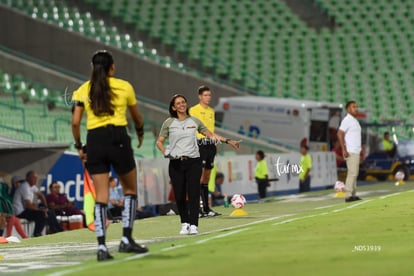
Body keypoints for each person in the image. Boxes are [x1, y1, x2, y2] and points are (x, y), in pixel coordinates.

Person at [71, 50, 147, 261]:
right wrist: (140, 132)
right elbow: (137, 117)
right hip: (118, 138)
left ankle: (102, 247)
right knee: (130, 190)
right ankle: (126, 240)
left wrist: (79, 146)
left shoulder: (83, 90)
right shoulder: (124, 86)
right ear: (112, 67)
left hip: (94, 140)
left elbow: (76, 122)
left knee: (101, 195)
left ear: (92, 67)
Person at [156, 94, 240, 235]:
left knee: (194, 193)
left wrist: (228, 141)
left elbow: (211, 135)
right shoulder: (168, 123)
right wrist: (165, 152)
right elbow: (159, 141)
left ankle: (194, 225)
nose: (182, 104)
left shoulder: (194, 121)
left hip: (193, 162)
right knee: (180, 195)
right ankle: (185, 223)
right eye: (178, 103)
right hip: (176, 163)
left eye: (184, 102)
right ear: (173, 107)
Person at [189, 85, 220, 217]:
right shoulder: (194, 110)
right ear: (200, 96)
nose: (208, 98)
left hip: (211, 145)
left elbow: (211, 129)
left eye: (209, 95)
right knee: (199, 176)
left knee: (206, 177)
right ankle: (197, 208)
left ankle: (207, 208)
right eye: (205, 95)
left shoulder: (212, 111)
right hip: (200, 144)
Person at [13, 171, 62, 236]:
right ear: (28, 178)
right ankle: (37, 234)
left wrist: (45, 207)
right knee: (41, 214)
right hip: (20, 212)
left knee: (50, 211)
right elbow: (28, 205)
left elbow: (41, 196)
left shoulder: (32, 186)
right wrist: (41, 210)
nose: (36, 180)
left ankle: (57, 230)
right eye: (34, 178)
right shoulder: (25, 187)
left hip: (26, 210)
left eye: (36, 178)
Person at [337, 100, 362, 203]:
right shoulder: (347, 120)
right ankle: (348, 194)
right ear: (348, 109)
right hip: (350, 150)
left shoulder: (355, 120)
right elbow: (339, 133)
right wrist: (344, 149)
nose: (356, 108)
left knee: (355, 173)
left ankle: (353, 194)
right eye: (353, 107)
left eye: (356, 107)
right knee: (352, 173)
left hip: (356, 150)